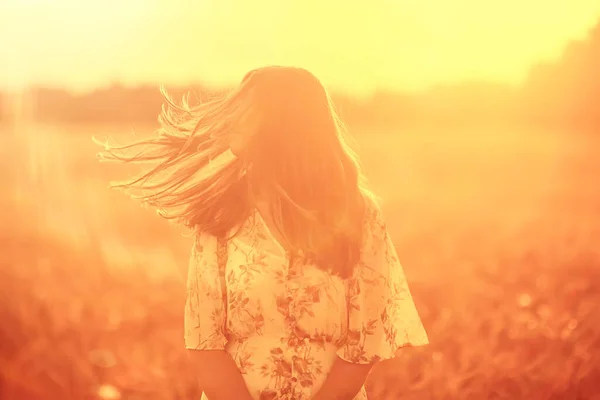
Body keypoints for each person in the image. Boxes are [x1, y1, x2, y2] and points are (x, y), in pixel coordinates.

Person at [97, 66, 428, 400]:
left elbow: (364, 344)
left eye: (247, 110)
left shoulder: (358, 215)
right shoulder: (221, 214)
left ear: (281, 125)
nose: (233, 119)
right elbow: (204, 343)